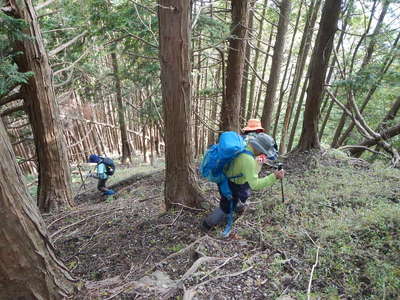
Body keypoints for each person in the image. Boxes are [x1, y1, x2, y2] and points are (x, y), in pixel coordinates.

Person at [202, 133, 284, 231]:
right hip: (231, 185)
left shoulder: (244, 145)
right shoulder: (248, 160)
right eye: (263, 151)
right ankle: (207, 224)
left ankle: (236, 207)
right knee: (225, 207)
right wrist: (274, 176)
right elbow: (255, 185)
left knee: (238, 197)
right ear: (258, 148)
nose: (264, 154)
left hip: (228, 180)